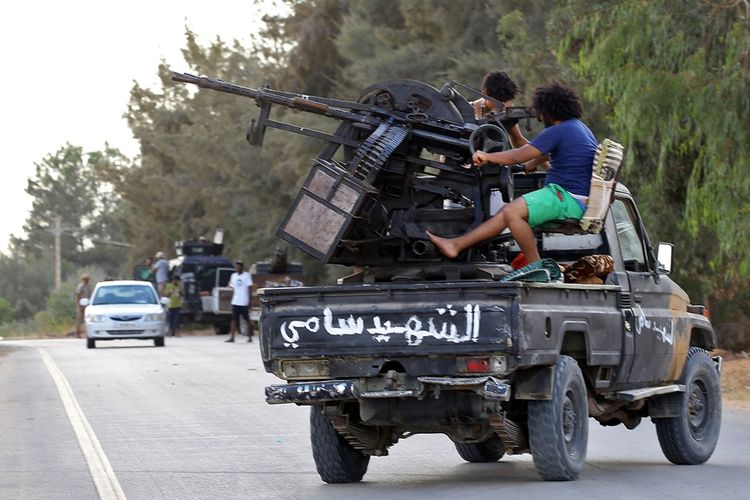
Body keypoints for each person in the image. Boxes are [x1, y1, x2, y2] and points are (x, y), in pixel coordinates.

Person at [429, 82, 597, 264]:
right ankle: (456, 245)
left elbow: (517, 156)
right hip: (575, 198)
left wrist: (486, 156)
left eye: (540, 113)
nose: (540, 118)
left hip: (566, 198)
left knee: (512, 212)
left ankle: (536, 267)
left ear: (548, 111)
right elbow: (549, 154)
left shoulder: (558, 131)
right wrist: (527, 166)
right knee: (505, 214)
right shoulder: (579, 128)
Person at [226, 259, 253, 343]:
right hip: (235, 301)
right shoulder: (233, 276)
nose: (238, 267)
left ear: (242, 267)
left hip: (244, 301)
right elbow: (231, 286)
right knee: (233, 319)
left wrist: (249, 301)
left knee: (246, 319)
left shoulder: (246, 275)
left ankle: (249, 336)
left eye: (239, 266)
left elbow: (249, 288)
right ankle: (232, 337)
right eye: (236, 266)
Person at [75, 273, 91, 338]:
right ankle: (77, 333)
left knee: (87, 319)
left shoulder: (87, 286)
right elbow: (78, 294)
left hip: (87, 303)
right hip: (82, 304)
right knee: (80, 319)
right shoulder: (81, 286)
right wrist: (79, 304)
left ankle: (86, 332)